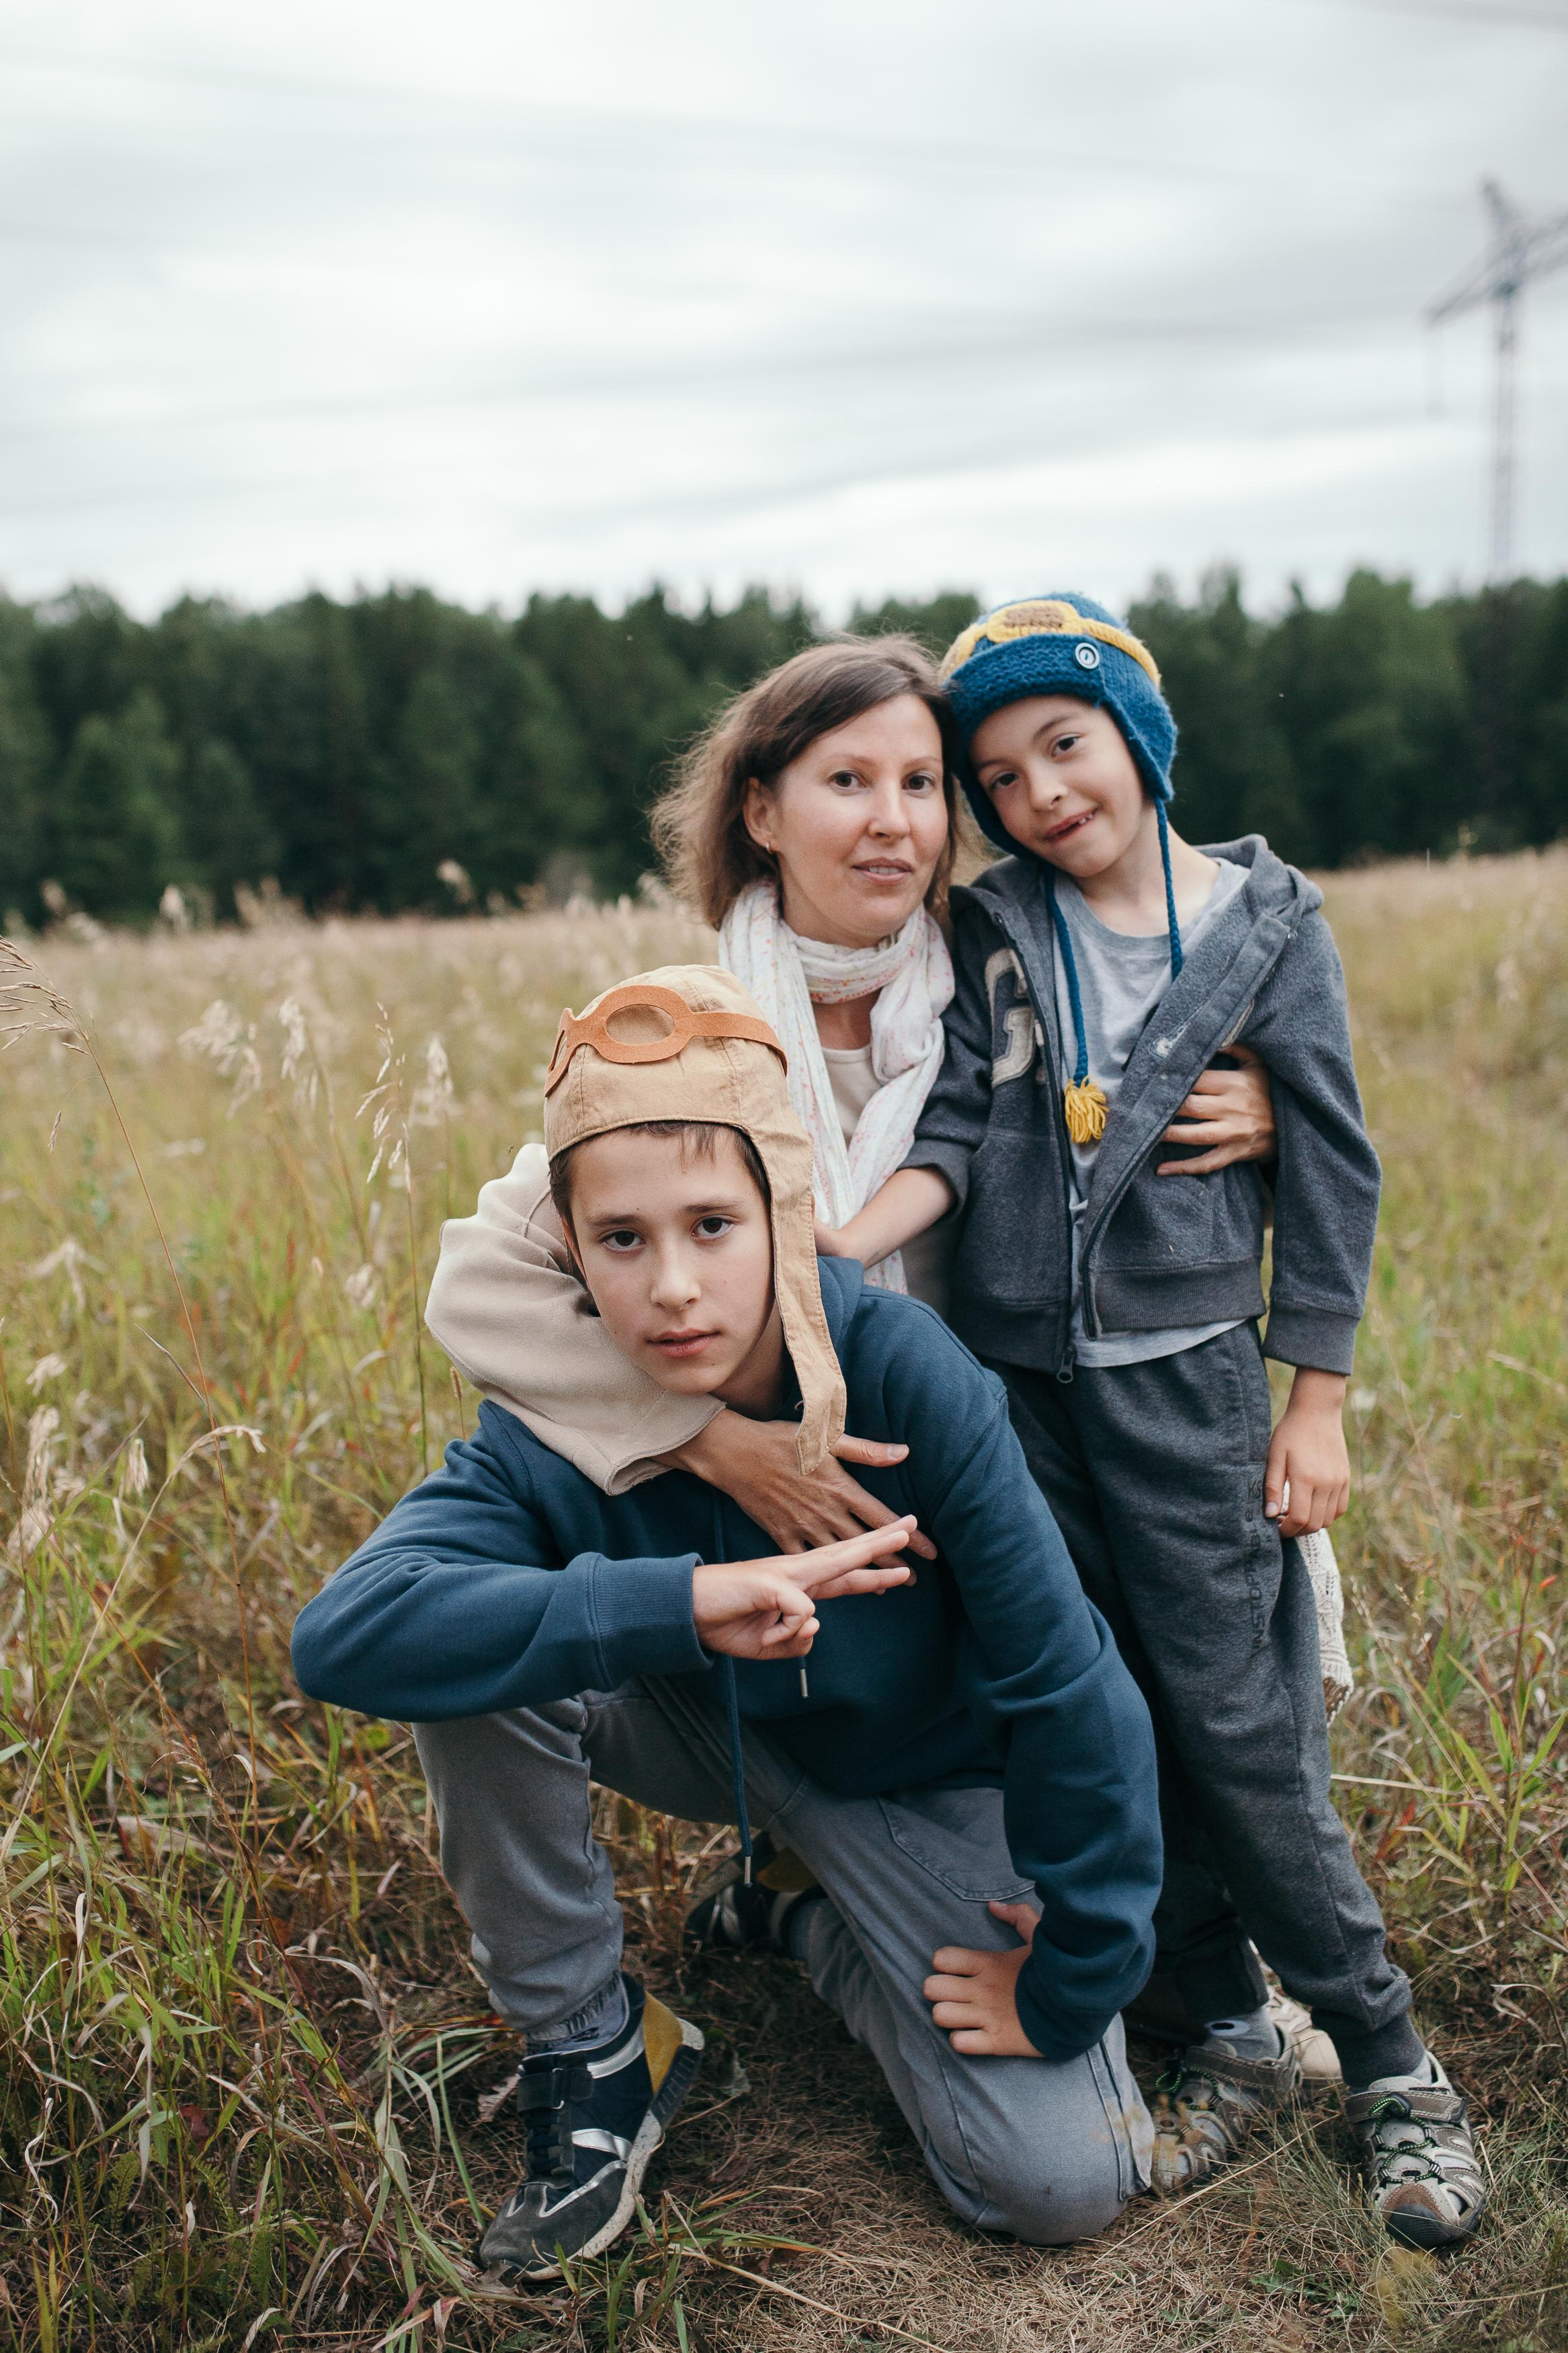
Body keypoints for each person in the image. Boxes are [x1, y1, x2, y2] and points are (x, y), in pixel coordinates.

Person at [291, 967, 1165, 2276]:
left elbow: (1068, 1684)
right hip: (706, 1728)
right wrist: (680, 1603)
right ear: (569, 1251)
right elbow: (348, 1634)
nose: (675, 1286)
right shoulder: (558, 1424)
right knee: (467, 1654)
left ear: (784, 1211)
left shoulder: (908, 1376)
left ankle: (802, 1916)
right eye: (623, 1240)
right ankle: (597, 2046)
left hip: (924, 1779)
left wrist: (1071, 1974)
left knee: (1062, 2180)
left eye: (711, 1224)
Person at [816, 594, 1485, 2250]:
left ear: (1138, 738)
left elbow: (1332, 1160)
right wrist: (842, 1238)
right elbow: (965, 1127)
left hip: (1192, 1385)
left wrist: (1311, 1396)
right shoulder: (998, 928)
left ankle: (1391, 2057)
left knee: (1242, 1729)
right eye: (1002, 772)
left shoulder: (1265, 922)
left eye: (1066, 743)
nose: (1041, 790)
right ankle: (1222, 2027)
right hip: (1021, 1395)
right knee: (1108, 1718)